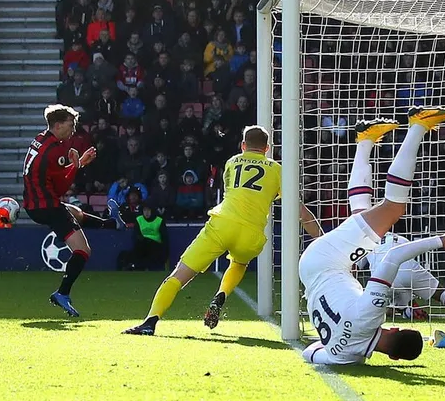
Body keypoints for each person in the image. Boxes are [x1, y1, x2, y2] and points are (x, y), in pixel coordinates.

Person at [300, 107, 445, 365]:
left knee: (392, 209)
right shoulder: (346, 356)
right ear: (392, 356)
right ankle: (365, 139)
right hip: (317, 275)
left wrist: (442, 241)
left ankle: (418, 125)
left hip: (326, 262)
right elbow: (310, 353)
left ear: (394, 329)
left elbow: (394, 257)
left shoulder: (372, 315)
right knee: (362, 212)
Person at [124, 125, 317, 335]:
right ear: (267, 148)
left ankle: (150, 322)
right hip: (252, 233)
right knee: (239, 262)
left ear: (243, 145)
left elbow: (232, 192)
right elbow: (302, 213)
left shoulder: (232, 163)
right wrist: (326, 241)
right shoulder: (277, 169)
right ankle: (222, 294)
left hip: (222, 224)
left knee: (179, 274)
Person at [22, 104, 126, 317]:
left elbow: (49, 176)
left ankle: (112, 223)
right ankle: (62, 293)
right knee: (83, 251)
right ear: (58, 125)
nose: (74, 128)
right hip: (47, 205)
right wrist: (78, 164)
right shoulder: (55, 151)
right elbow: (60, 188)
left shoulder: (41, 139)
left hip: (34, 204)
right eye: (71, 124)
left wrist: (74, 164)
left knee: (75, 213)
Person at [117, 202, 169, 271]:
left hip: (155, 245)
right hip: (142, 245)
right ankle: (134, 265)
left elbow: (164, 238)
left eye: (148, 210)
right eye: (145, 210)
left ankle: (137, 265)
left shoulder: (159, 220)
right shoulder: (139, 219)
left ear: (152, 211)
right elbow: (136, 234)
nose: (146, 213)